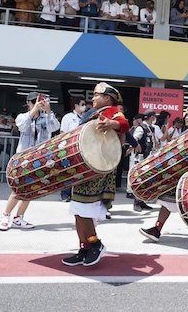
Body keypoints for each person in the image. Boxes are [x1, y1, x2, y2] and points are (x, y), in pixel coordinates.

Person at [61, 82, 129, 267]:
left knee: (84, 210)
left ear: (107, 98)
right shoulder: (92, 113)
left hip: (96, 169)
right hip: (85, 167)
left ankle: (94, 243)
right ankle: (84, 249)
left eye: (96, 94)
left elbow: (123, 123)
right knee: (78, 211)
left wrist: (111, 123)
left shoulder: (112, 111)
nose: (92, 98)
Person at [139, 106, 188, 243]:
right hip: (181, 172)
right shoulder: (185, 131)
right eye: (186, 115)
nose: (187, 118)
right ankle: (156, 230)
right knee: (166, 201)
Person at [0, 92, 60, 231]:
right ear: (28, 103)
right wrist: (34, 110)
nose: (38, 104)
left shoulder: (47, 117)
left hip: (40, 158)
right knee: (18, 189)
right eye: (34, 101)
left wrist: (48, 110)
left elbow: (55, 127)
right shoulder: (23, 116)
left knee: (31, 190)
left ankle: (18, 218)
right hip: (23, 158)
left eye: (40, 101)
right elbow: (22, 126)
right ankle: (5, 216)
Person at [59, 97, 86, 200]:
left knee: (79, 171)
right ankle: (65, 194)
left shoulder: (85, 117)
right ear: (76, 106)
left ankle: (76, 194)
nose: (84, 107)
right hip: (69, 147)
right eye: (82, 104)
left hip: (81, 148)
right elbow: (63, 132)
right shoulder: (68, 117)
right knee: (67, 171)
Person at [0, 108, 17, 182]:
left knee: (14, 157)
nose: (4, 117)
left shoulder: (9, 122)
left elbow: (16, 130)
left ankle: (11, 173)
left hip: (7, 142)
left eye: (5, 115)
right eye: (3, 115)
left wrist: (12, 122)